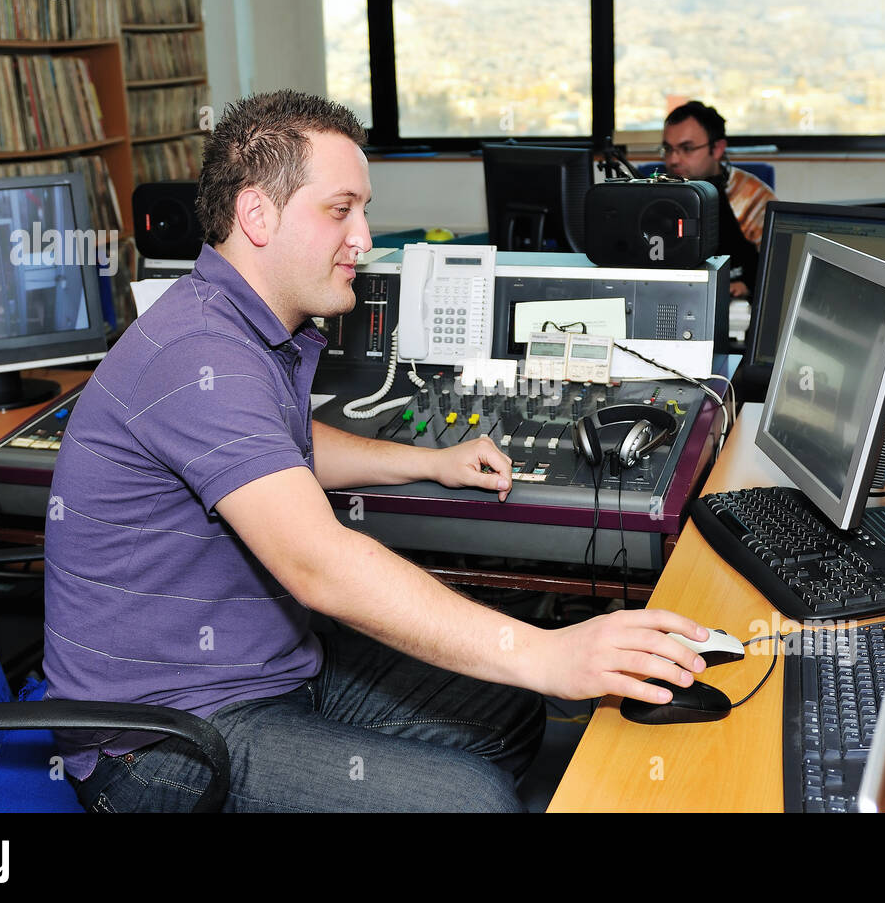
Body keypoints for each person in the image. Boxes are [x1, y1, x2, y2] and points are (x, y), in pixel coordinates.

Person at [43, 89, 711, 813]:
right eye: (340, 210)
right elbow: (320, 566)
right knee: (474, 800)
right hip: (163, 740)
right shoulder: (200, 353)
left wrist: (427, 460)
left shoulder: (243, 324)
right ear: (256, 215)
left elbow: (283, 446)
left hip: (272, 670)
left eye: (363, 208)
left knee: (513, 709)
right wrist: (551, 652)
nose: (363, 238)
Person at [661, 100, 775, 299]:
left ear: (717, 149)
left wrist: (748, 284)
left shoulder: (751, 196)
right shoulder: (653, 194)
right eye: (668, 149)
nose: (673, 160)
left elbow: (776, 264)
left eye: (686, 148)